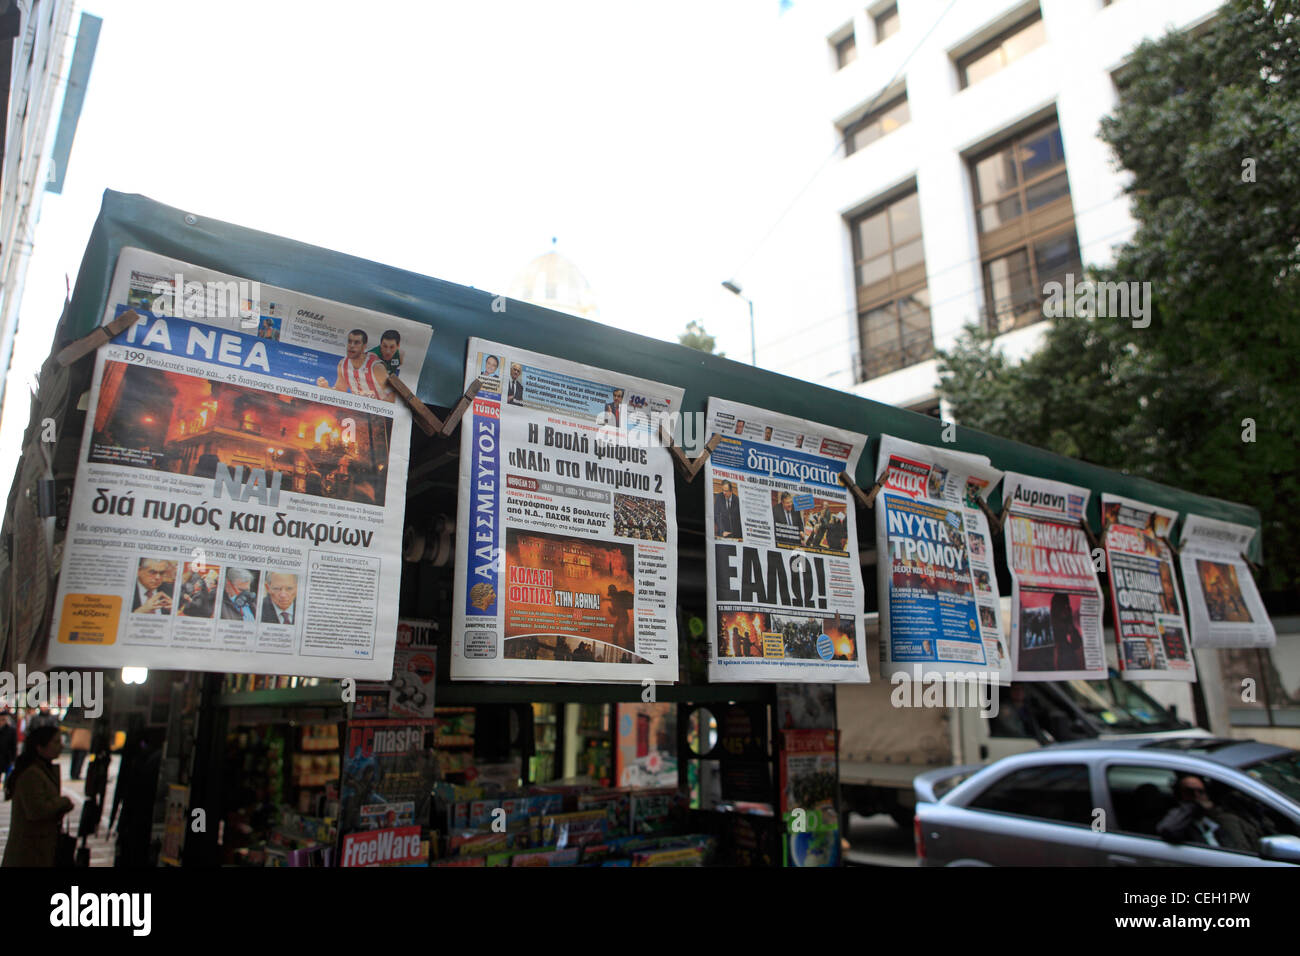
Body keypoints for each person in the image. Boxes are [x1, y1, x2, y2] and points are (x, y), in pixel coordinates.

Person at [1, 725, 75, 867]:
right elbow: (36, 810)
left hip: (38, 847)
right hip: (29, 851)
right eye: (56, 742)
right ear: (40, 747)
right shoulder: (32, 774)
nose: (61, 746)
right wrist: (63, 802)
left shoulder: (43, 769)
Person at [1156, 775, 1263, 852]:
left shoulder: (1221, 817)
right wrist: (1193, 806)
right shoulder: (1179, 818)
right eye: (1189, 792)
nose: (1196, 796)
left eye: (1200, 792)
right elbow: (1168, 830)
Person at [317, 329, 394, 402]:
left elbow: (392, 395)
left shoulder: (376, 367)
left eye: (356, 342)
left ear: (364, 346)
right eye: (349, 342)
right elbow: (340, 390)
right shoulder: (343, 364)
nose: (352, 346)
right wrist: (326, 388)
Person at [1050, 592, 1085, 672]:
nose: (1064, 608)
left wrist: (1069, 623)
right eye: (1061, 605)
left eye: (1066, 605)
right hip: (1053, 650)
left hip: (1065, 650)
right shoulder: (1051, 618)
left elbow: (1077, 643)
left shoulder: (1067, 615)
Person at [606, 584, 634, 648]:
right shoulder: (619, 596)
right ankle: (626, 643)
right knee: (621, 631)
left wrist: (610, 610)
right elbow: (616, 613)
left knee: (619, 631)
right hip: (624, 617)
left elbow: (614, 614)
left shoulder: (615, 599)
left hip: (622, 618)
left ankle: (624, 643)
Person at [0, 711, 16, 793]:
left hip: (7, 758)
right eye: (1, 719)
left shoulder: (11, 730)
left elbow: (13, 745)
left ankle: (6, 789)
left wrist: (13, 758)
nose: (3, 721)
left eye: (4, 719)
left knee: (8, 776)